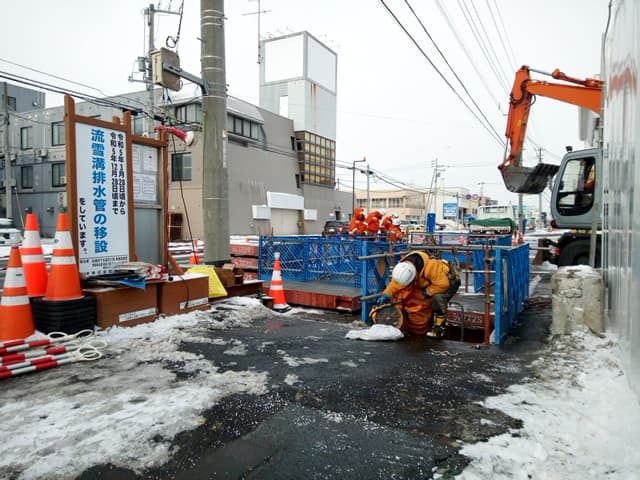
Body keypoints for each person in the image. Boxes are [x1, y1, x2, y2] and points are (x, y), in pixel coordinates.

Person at [376, 250, 460, 338]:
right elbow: (395, 284)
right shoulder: (403, 268)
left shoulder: (429, 268)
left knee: (437, 299)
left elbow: (443, 285)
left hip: (449, 281)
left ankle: (439, 329)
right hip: (434, 282)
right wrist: (386, 294)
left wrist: (427, 292)